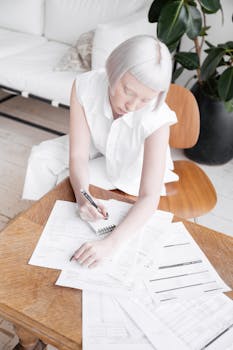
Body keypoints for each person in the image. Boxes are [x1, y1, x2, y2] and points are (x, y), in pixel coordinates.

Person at [22, 35, 178, 268]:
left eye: (145, 100)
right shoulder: (85, 85)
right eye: (128, 91)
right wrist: (83, 196)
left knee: (63, 182)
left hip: (131, 163)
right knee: (42, 157)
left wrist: (110, 244)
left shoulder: (158, 119)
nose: (132, 106)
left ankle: (62, 237)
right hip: (100, 142)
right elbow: (78, 156)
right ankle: (36, 226)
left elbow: (149, 196)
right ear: (113, 69)